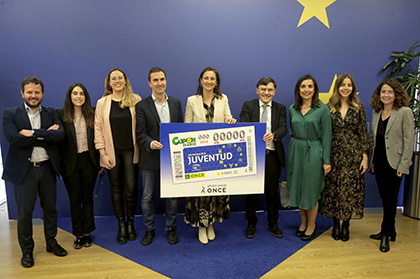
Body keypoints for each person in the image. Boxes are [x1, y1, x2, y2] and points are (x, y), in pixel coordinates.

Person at [2, 76, 67, 268]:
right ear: (22, 93)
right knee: (24, 214)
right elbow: (14, 139)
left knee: (50, 210)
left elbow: (59, 135)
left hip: (47, 169)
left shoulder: (51, 113)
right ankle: (27, 251)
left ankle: (51, 243)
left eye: (37, 92)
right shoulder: (10, 113)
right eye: (29, 92)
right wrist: (45, 134)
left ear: (42, 94)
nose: (33, 95)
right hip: (25, 172)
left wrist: (33, 133)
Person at [184, 66, 236, 244]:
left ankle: (211, 223)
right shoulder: (192, 100)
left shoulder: (223, 99)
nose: (209, 81)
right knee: (200, 193)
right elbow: (186, 127)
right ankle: (201, 226)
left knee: (214, 191)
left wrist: (231, 121)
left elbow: (229, 118)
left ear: (216, 82)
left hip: (217, 155)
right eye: (206, 78)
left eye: (212, 78)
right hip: (198, 156)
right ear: (201, 81)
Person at [136, 67, 183, 245]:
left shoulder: (176, 103)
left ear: (166, 81)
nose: (159, 83)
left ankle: (171, 228)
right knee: (147, 196)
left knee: (171, 196)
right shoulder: (142, 106)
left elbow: (180, 130)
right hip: (149, 158)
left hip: (172, 158)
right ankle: (149, 229)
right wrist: (150, 143)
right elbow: (140, 132)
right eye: (155, 80)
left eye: (162, 79)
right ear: (149, 83)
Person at [95, 68, 141, 244]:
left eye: (120, 77)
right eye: (113, 78)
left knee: (130, 188)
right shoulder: (102, 103)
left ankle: (131, 223)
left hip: (131, 151)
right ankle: (121, 225)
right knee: (116, 189)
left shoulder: (135, 100)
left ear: (125, 80)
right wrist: (102, 153)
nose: (117, 81)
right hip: (110, 153)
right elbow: (98, 129)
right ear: (109, 82)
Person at [321, 74, 369, 242]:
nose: (346, 88)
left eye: (349, 85)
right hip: (334, 155)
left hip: (353, 156)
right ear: (338, 87)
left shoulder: (358, 107)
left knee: (349, 191)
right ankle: (335, 223)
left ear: (353, 88)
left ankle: (346, 224)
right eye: (343, 85)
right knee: (334, 190)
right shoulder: (328, 108)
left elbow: (363, 133)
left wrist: (364, 156)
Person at [368, 79, 414, 253]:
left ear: (396, 94)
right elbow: (373, 139)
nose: (386, 95)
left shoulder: (404, 112)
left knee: (390, 199)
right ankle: (390, 230)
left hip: (395, 164)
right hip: (379, 162)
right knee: (384, 196)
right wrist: (372, 161)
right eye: (383, 92)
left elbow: (409, 141)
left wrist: (404, 165)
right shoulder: (376, 112)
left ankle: (386, 235)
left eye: (389, 92)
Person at [239, 77, 287, 239]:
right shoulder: (248, 106)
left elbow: (283, 128)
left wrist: (274, 135)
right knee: (251, 192)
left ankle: (273, 223)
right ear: (257, 90)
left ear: (274, 92)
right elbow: (243, 125)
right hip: (252, 157)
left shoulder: (280, 108)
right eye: (263, 89)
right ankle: (251, 223)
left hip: (272, 156)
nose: (266, 93)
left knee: (272, 192)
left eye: (270, 90)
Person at [287, 74, 332, 241]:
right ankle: (303, 222)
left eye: (310, 86)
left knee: (311, 190)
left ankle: (312, 225)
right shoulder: (292, 108)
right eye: (303, 86)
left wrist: (326, 161)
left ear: (315, 89)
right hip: (296, 150)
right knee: (298, 188)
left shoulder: (323, 110)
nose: (306, 90)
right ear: (298, 90)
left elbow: (327, 137)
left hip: (314, 151)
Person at [57, 83, 100, 249]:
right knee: (74, 200)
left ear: (85, 97)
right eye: (75, 93)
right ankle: (78, 234)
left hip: (89, 161)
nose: (78, 97)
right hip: (70, 163)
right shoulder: (60, 114)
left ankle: (87, 232)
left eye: (81, 93)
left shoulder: (93, 113)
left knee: (87, 198)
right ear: (70, 96)